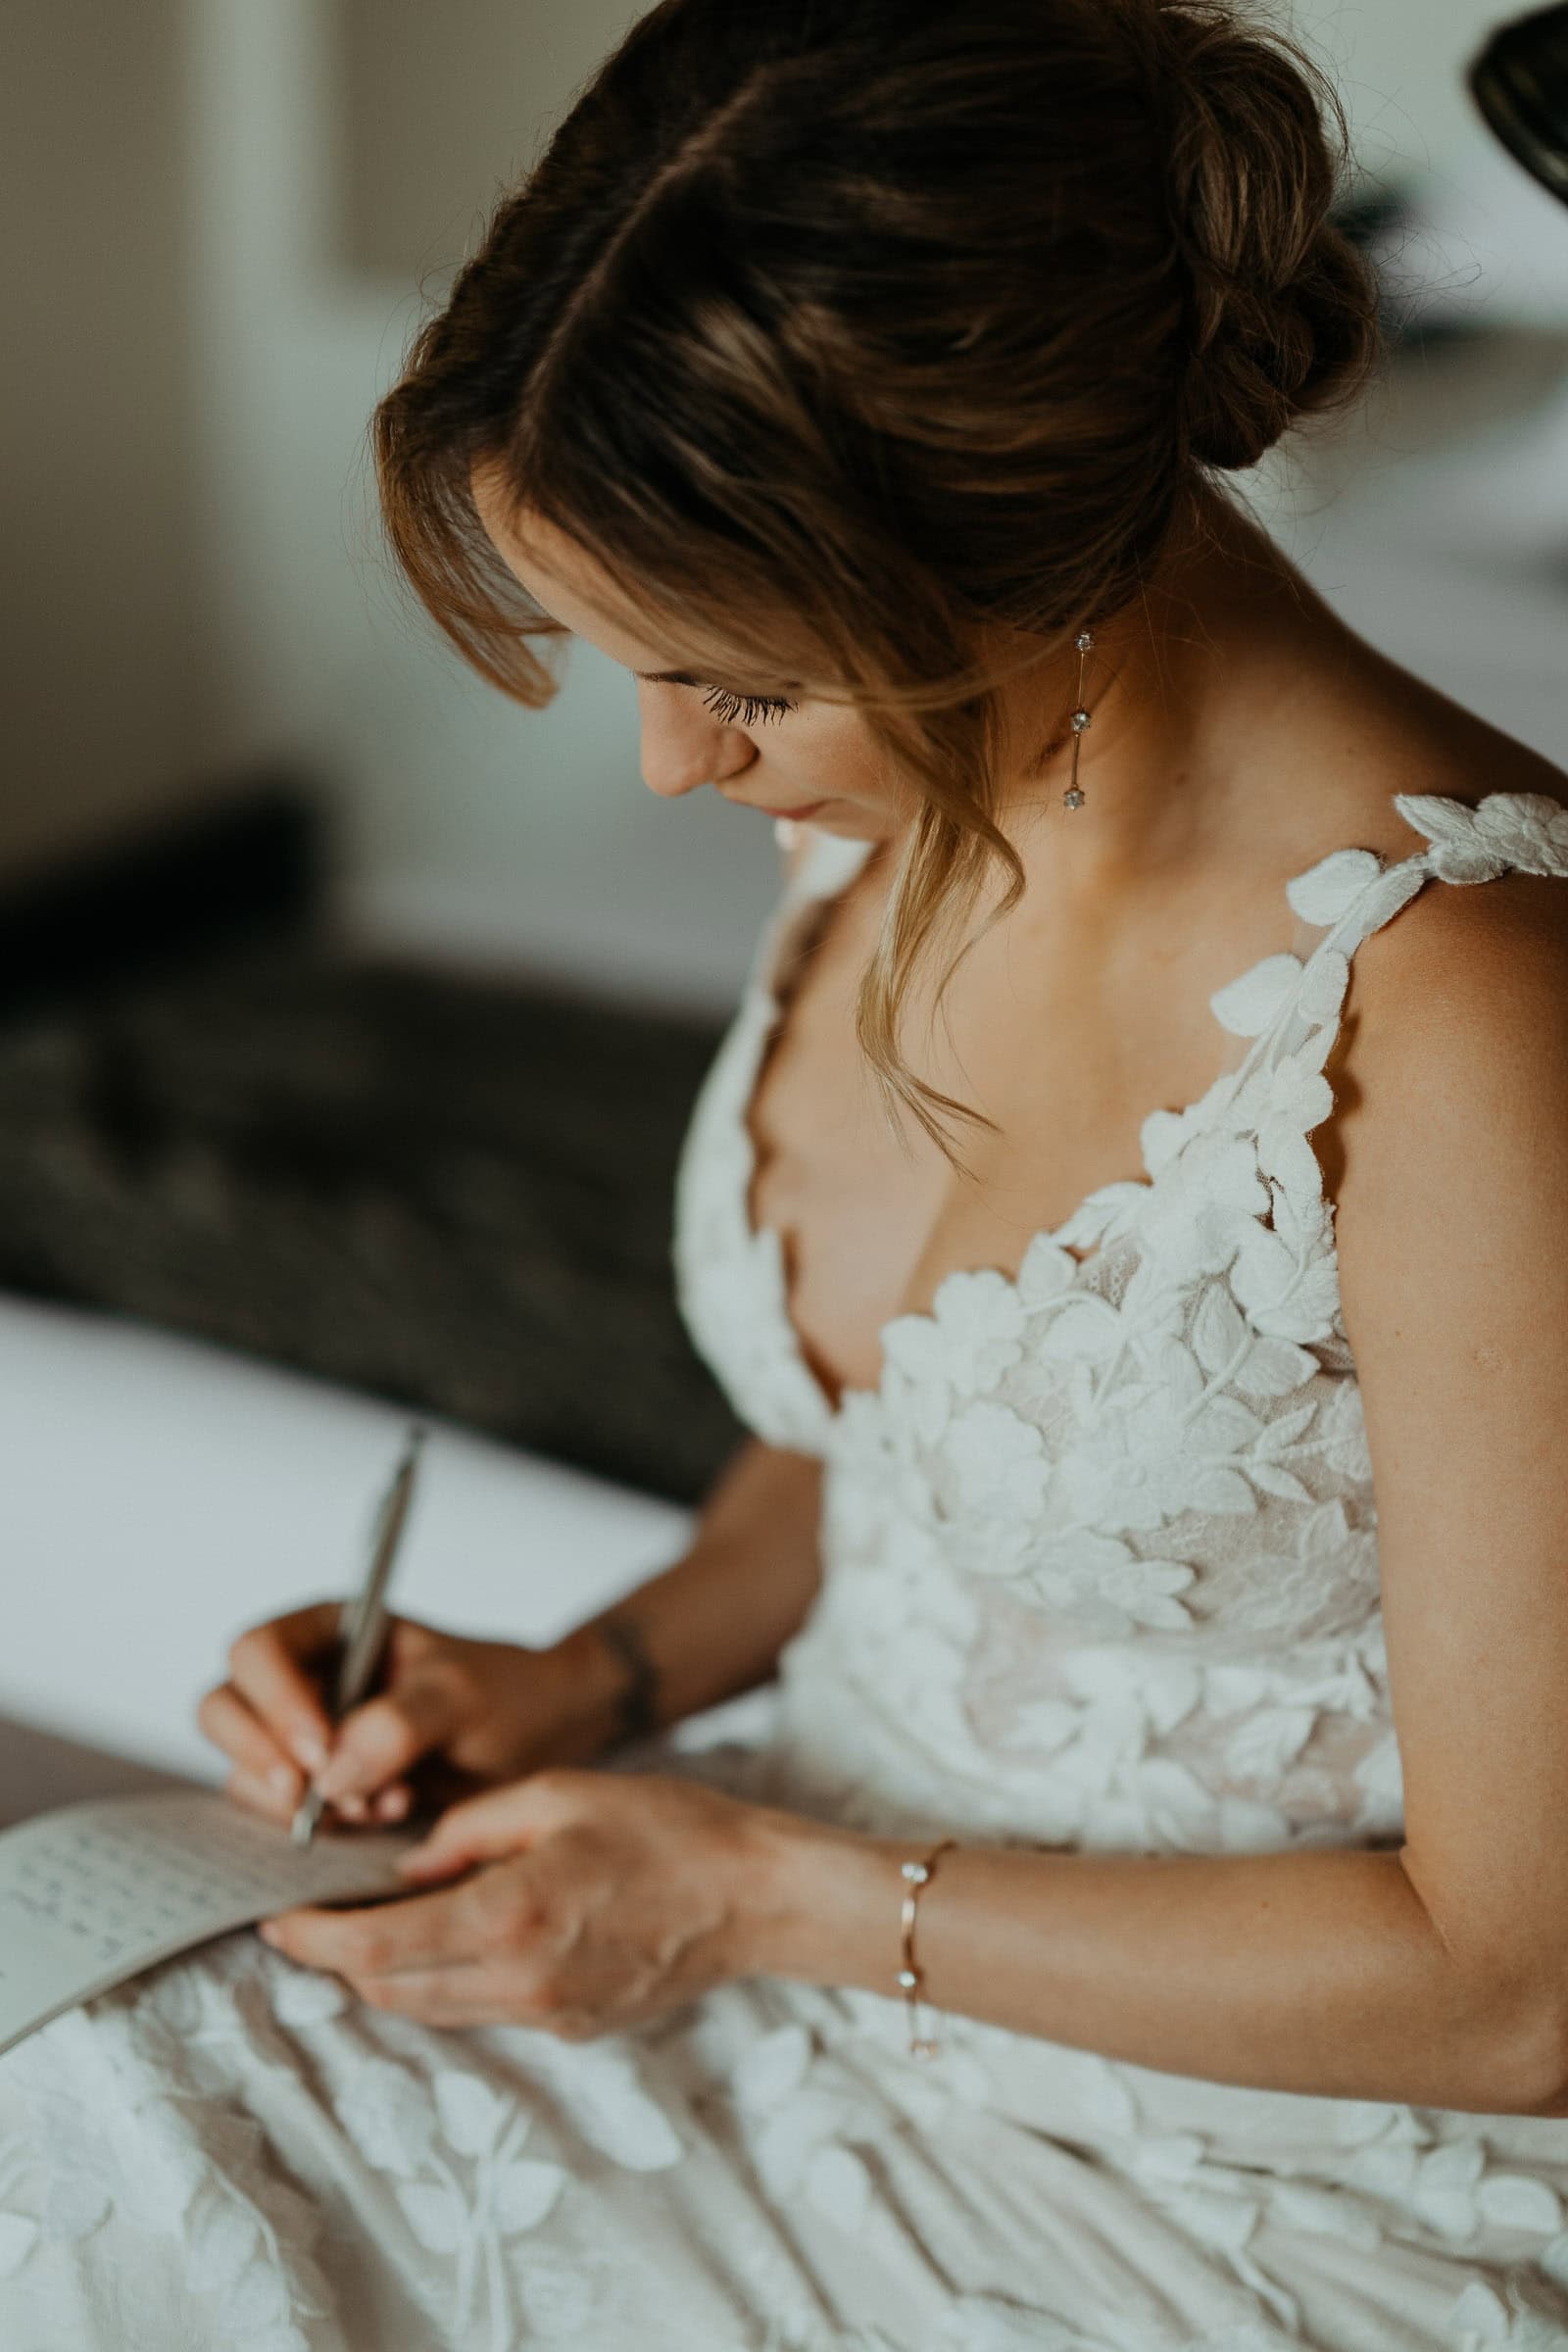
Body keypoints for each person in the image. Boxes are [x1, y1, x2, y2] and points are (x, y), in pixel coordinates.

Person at [6, 2, 1568, 2346]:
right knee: (69, 2118)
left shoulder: (1472, 1015)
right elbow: (882, 1455)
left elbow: (1516, 1990)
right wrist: (582, 1676)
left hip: (1269, 2179)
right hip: (787, 1885)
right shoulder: (896, 804)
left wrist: (749, 1896)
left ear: (1017, 555)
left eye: (733, 684)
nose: (663, 765)